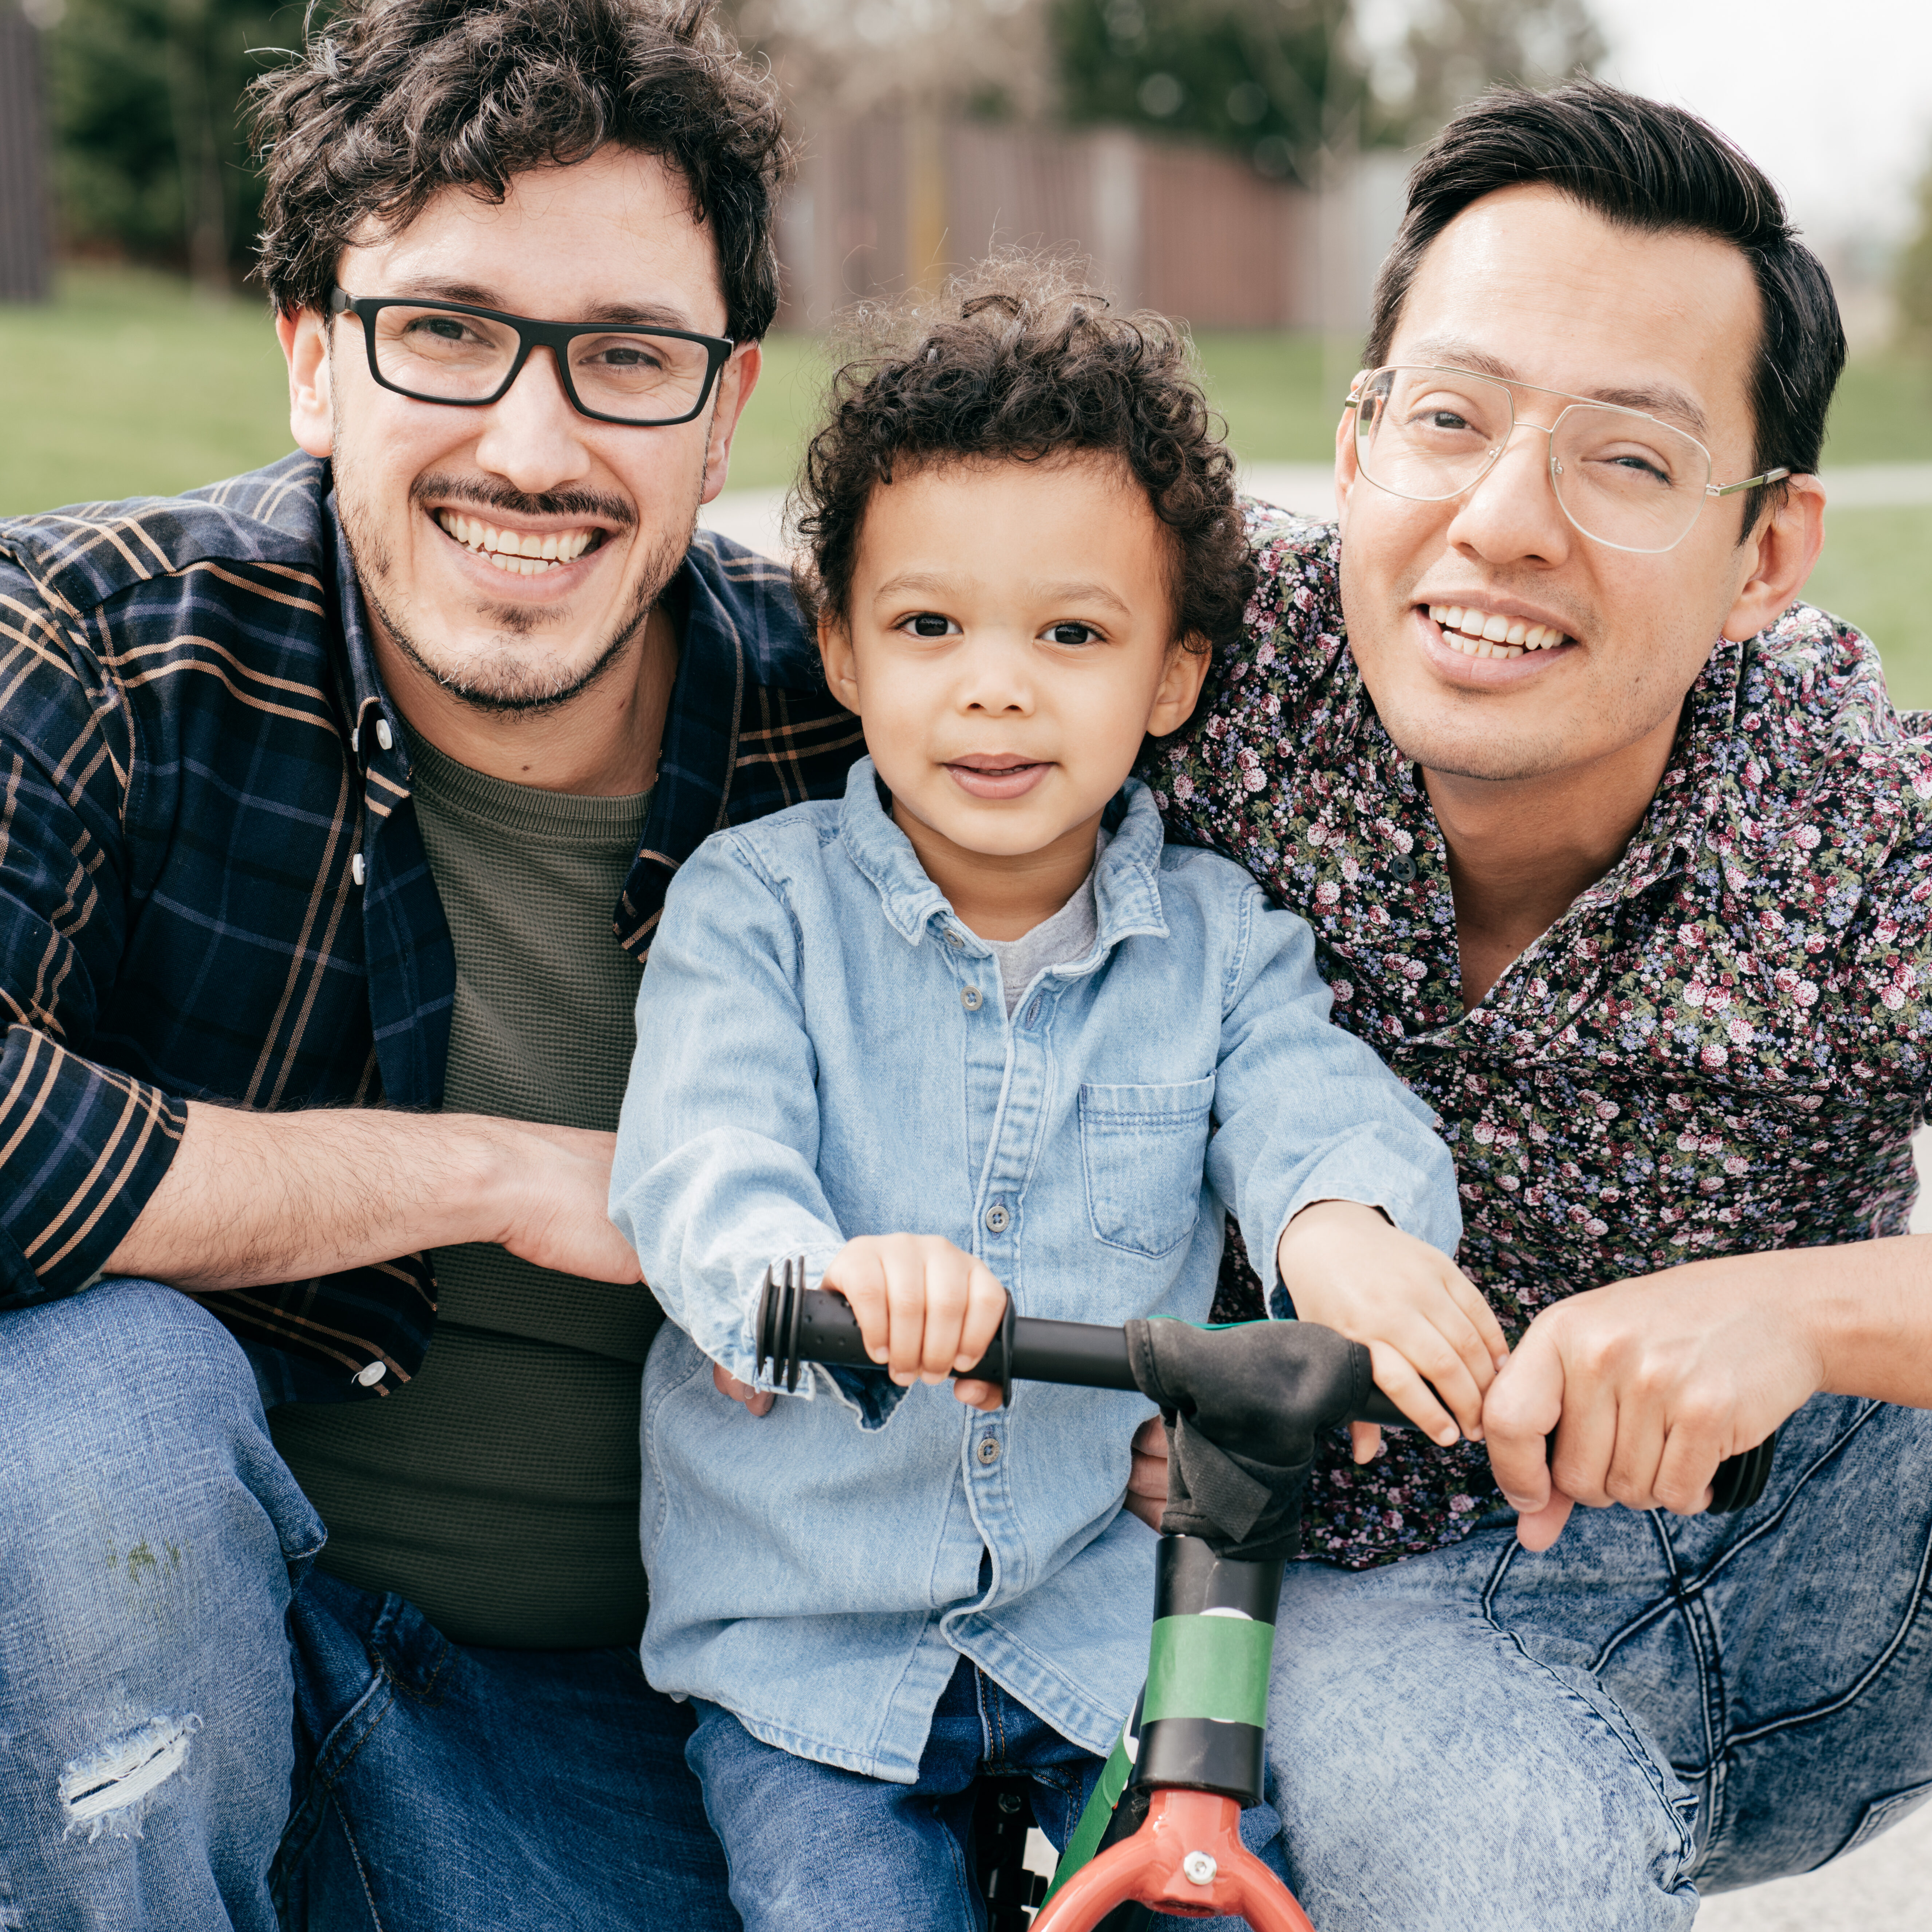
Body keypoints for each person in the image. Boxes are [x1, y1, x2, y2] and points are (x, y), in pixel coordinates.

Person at [0, 2, 862, 1926]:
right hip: (134, 1684)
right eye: (450, 333)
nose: (532, 449)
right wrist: (492, 1172)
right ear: (314, 358)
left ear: (725, 411)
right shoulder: (98, 647)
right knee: (92, 1403)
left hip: (631, 1733)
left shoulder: (879, 726)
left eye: (626, 356)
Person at [1128, 78, 1932, 1929]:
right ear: (1353, 447)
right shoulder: (1171, 673)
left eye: (1628, 460)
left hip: (1802, 1569)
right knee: (1424, 1819)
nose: (1503, 524)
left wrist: (1798, 1311)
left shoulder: (1852, 817)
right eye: (1450, 418)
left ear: (1765, 554)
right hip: (1327, 1594)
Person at [605, 265, 1477, 1930]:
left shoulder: (1221, 945)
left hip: (1104, 1637)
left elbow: (1314, 1106)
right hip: (810, 1654)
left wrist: (1343, 1231)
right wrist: (821, 1274)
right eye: (930, 628)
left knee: (1232, 1890)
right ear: (842, 647)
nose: (996, 687)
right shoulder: (757, 909)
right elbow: (700, 1162)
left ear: (1173, 676)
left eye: (1072, 635)